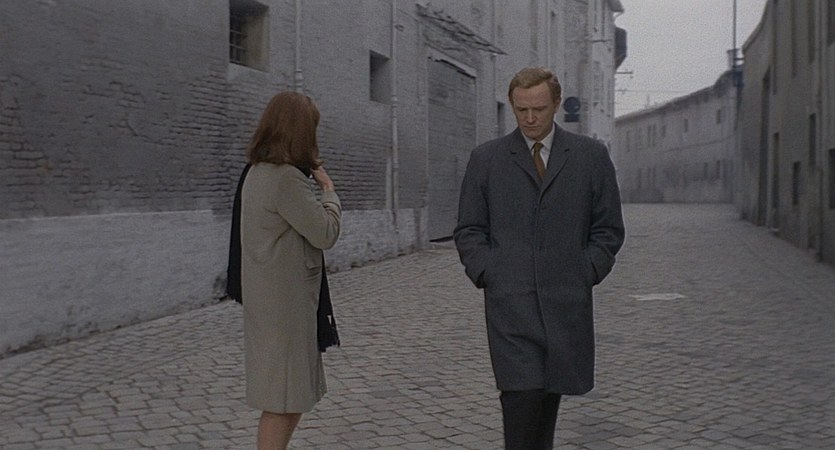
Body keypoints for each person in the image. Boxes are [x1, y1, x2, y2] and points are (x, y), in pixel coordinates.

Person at [453, 67, 625, 449]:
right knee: (521, 400)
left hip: (565, 306)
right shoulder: (487, 159)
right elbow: (469, 229)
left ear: (556, 104)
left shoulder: (590, 157)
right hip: (510, 308)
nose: (530, 118)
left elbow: (609, 229)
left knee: (545, 407)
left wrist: (586, 270)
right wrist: (489, 272)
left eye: (539, 109)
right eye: (521, 110)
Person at [240, 91, 341, 450]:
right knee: (282, 402)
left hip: (273, 302)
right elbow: (325, 233)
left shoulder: (257, 172)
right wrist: (328, 190)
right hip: (284, 307)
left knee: (288, 398)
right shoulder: (285, 179)